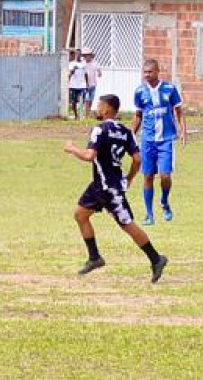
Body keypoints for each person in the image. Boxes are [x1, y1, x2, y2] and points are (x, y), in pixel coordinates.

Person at [64, 94, 169, 283]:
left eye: (99, 105)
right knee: (80, 215)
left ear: (107, 109)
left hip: (106, 187)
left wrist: (71, 148)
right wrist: (128, 178)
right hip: (103, 185)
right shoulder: (126, 132)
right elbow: (137, 159)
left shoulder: (99, 129)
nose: (97, 108)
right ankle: (94, 257)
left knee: (127, 224)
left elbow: (89, 156)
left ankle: (156, 258)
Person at [131, 58, 186, 225]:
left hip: (166, 140)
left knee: (165, 175)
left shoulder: (169, 89)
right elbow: (138, 115)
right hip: (147, 140)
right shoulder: (140, 91)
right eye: (145, 72)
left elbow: (179, 111)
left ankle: (164, 201)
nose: (147, 75)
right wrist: (130, 135)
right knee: (147, 176)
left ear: (157, 72)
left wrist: (183, 130)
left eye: (150, 72)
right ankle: (149, 214)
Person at [65, 49, 88, 119]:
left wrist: (87, 83)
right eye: (77, 54)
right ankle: (76, 115)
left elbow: (86, 74)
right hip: (73, 85)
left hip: (82, 85)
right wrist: (73, 70)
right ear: (75, 55)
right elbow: (69, 74)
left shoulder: (83, 64)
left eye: (79, 54)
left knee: (83, 99)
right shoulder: (71, 64)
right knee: (73, 101)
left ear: (81, 55)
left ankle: (80, 113)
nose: (78, 55)